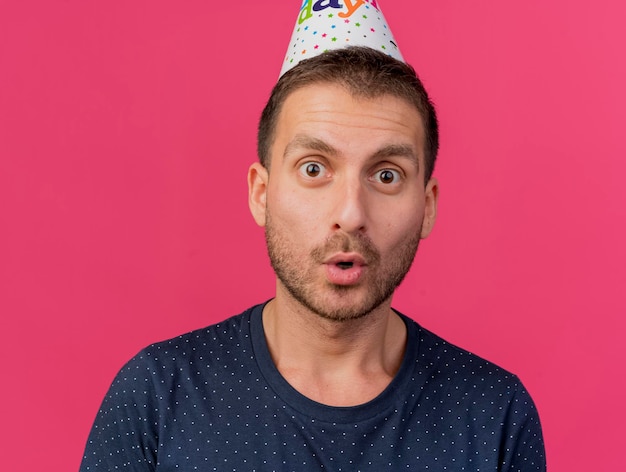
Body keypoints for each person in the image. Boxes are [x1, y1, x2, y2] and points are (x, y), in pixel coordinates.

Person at [81, 4, 545, 471]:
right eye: (314, 168)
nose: (350, 213)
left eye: (386, 175)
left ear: (427, 207)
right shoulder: (158, 395)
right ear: (262, 194)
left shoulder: (495, 415)